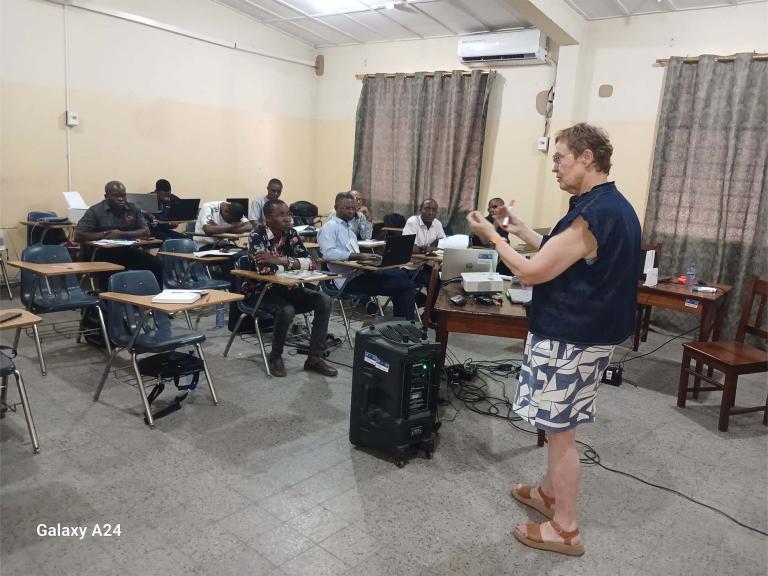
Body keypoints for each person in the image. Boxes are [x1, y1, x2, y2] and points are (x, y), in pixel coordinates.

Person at [467, 123, 641, 557]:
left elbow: (532, 271)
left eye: (560, 158)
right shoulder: (609, 205)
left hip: (573, 336)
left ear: (587, 158)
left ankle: (565, 528)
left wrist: (493, 237)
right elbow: (558, 253)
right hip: (587, 335)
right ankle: (548, 494)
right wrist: (520, 229)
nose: (555, 168)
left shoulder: (594, 213)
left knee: (560, 431)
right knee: (556, 422)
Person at [243, 199, 337, 378]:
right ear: (269, 218)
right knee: (286, 310)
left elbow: (311, 264)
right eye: (281, 215)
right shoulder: (257, 235)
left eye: (288, 214)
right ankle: (275, 356)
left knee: (324, 300)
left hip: (289, 288)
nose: (287, 218)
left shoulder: (292, 234)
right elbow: (264, 270)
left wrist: (280, 260)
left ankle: (314, 358)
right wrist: (294, 264)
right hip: (262, 291)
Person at [318, 192, 417, 320]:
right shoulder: (329, 228)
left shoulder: (350, 232)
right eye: (346, 208)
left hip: (361, 272)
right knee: (403, 285)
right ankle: (406, 324)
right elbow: (328, 254)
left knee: (402, 275)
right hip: (346, 280)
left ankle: (403, 323)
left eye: (353, 208)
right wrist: (358, 256)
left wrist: (370, 259)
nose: (351, 211)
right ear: (336, 207)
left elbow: (358, 251)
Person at [75, 180, 163, 285]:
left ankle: (155, 294)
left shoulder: (132, 208)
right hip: (102, 253)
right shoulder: (95, 211)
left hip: (126, 250)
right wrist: (104, 235)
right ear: (106, 196)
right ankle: (110, 299)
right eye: (116, 196)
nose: (121, 199)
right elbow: (79, 235)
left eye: (123, 196)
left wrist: (121, 233)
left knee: (155, 263)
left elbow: (145, 231)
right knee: (112, 272)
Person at [403, 199, 446, 308]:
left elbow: (442, 242)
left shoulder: (437, 223)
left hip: (427, 265)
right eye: (427, 208)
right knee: (434, 282)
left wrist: (428, 247)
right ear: (420, 209)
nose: (430, 212)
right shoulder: (412, 222)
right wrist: (426, 249)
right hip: (410, 267)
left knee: (443, 281)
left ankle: (433, 312)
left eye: (434, 210)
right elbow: (409, 246)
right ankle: (430, 313)